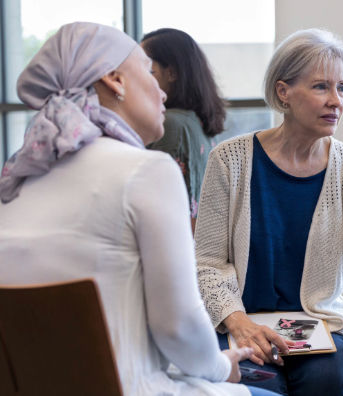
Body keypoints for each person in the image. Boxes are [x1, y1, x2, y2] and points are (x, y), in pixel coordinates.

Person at [0, 22, 277, 396]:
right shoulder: (147, 171)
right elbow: (177, 327)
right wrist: (218, 367)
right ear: (115, 80)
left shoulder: (17, 182)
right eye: (147, 72)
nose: (161, 94)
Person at [194, 28, 343, 396]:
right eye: (321, 87)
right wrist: (237, 323)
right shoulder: (228, 161)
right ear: (284, 92)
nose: (336, 101)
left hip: (320, 326)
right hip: (244, 323)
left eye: (342, 88)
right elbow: (208, 263)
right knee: (257, 385)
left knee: (325, 382)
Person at [140, 28, 226, 231]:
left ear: (172, 73)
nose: (140, 78)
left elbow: (150, 203)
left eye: (147, 70)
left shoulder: (170, 124)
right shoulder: (196, 122)